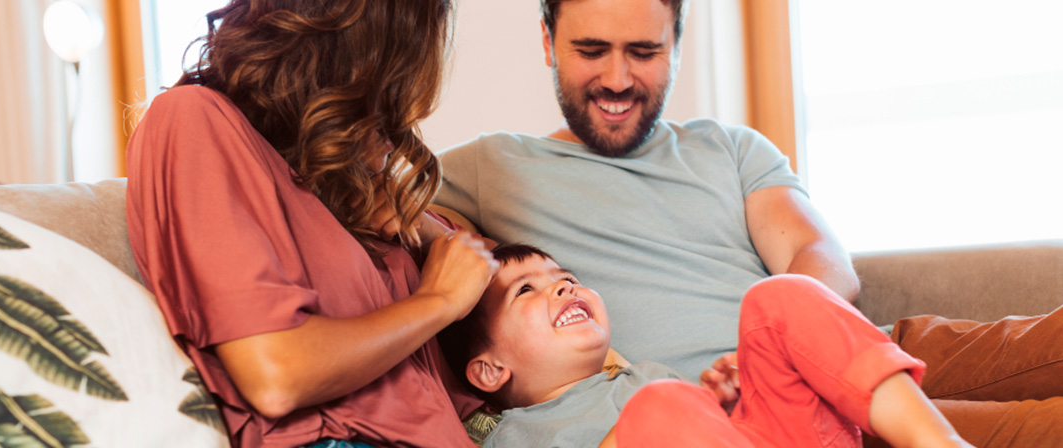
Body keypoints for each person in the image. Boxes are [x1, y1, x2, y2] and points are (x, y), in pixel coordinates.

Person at [433, 0, 1063, 446]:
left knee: (1040, 342)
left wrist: (767, 347)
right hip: (741, 420)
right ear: (547, 42)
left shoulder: (730, 147)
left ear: (677, 42)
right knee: (1031, 431)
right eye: (591, 50)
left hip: (838, 349)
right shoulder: (494, 167)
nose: (618, 79)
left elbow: (819, 255)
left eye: (644, 51)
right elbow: (364, 196)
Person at [125, 1, 497, 447]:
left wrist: (417, 223)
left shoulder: (330, 165)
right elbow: (275, 374)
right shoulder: (191, 119)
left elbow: (499, 278)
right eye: (405, 61)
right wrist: (437, 301)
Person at [439, 244, 971, 448]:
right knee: (663, 406)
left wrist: (721, 400)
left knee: (777, 298)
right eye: (526, 290)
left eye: (566, 277)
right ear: (489, 371)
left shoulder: (642, 374)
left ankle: (940, 444)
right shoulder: (516, 436)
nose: (563, 287)